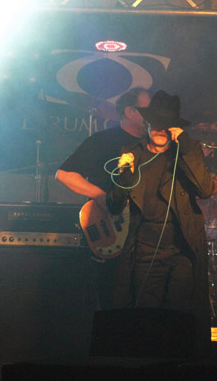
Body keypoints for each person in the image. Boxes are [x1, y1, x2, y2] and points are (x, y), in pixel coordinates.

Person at [106, 90, 217, 358]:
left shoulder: (187, 151)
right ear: (147, 124)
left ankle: (178, 369)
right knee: (146, 318)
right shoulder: (132, 154)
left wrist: (185, 147)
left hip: (182, 249)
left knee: (179, 317)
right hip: (146, 248)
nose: (160, 129)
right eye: (156, 123)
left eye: (166, 125)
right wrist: (124, 176)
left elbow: (205, 189)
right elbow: (114, 206)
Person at [55, 87, 151, 308]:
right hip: (112, 229)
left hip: (144, 237)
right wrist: (100, 196)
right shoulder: (103, 141)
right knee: (112, 299)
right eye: (146, 110)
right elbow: (64, 174)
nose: (152, 115)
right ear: (130, 111)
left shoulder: (154, 146)